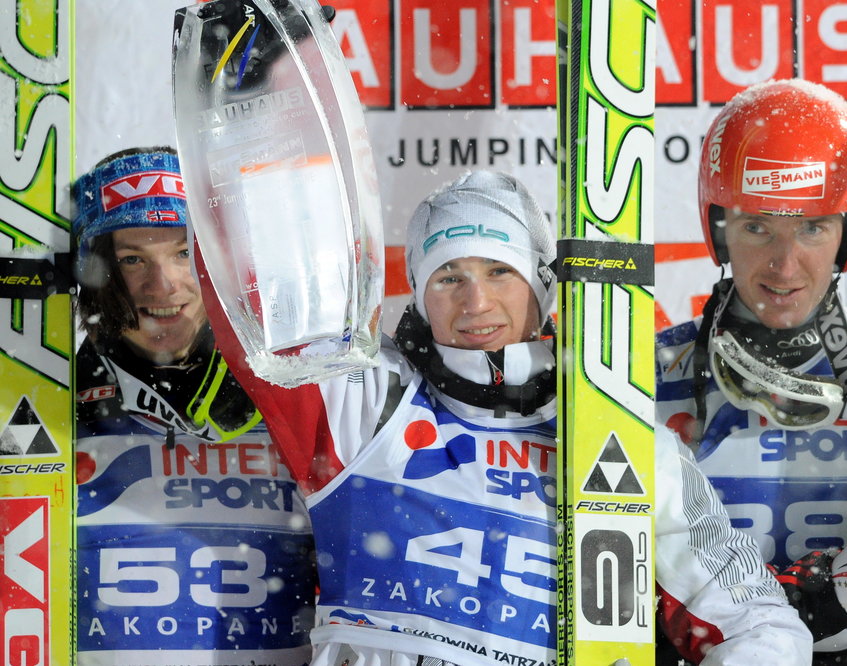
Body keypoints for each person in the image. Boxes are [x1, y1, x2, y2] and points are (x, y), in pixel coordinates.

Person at [195, 169, 811, 665]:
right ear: (417, 292)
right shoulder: (364, 399)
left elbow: (757, 620)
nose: (476, 303)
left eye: (499, 272)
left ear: (543, 288)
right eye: (448, 277)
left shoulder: (621, 437)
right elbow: (245, 294)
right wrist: (259, 91)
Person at [656, 78, 847, 665]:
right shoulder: (638, 377)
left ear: (846, 237)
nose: (784, 264)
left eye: (812, 227)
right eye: (757, 225)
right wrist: (822, 597)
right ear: (719, 230)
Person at [72, 147, 317, 665]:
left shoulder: (296, 389)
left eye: (185, 253)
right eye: (132, 259)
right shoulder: (45, 399)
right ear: (95, 272)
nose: (163, 287)